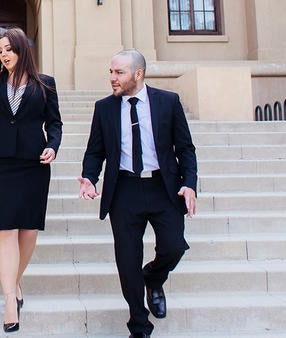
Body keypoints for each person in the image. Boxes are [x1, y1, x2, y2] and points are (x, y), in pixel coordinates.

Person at [78, 49, 197, 338]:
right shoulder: (104, 108)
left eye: (119, 73)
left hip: (163, 188)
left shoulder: (168, 102)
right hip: (125, 190)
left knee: (174, 246)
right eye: (111, 72)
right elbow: (95, 151)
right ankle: (139, 325)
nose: (112, 78)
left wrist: (190, 183)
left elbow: (185, 149)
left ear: (138, 74)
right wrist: (90, 178)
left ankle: (153, 278)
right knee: (127, 260)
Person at [0, 27, 63, 333]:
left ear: (22, 49)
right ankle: (10, 298)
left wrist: (52, 146)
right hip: (0, 164)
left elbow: (56, 123)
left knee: (29, 231)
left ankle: (15, 280)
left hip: (34, 163)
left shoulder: (44, 84)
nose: (4, 55)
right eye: (0, 50)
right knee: (5, 230)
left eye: (9, 49)